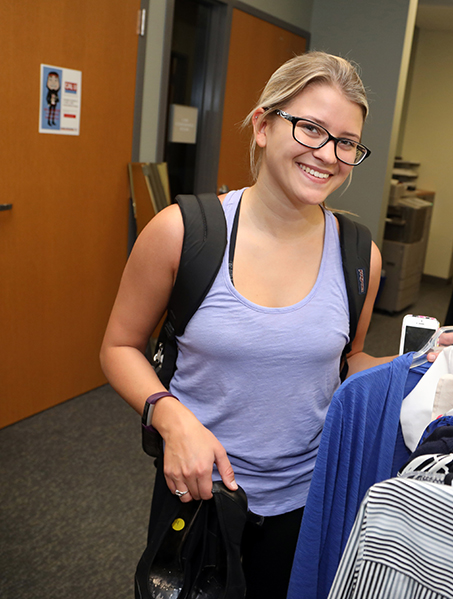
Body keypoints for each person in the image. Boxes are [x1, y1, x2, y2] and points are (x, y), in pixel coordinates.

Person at [100, 51, 393, 598]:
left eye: (346, 142)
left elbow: (345, 358)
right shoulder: (183, 232)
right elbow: (118, 346)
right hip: (198, 495)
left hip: (306, 501)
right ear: (262, 126)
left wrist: (408, 369)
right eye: (310, 129)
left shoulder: (360, 256)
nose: (327, 155)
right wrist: (171, 418)